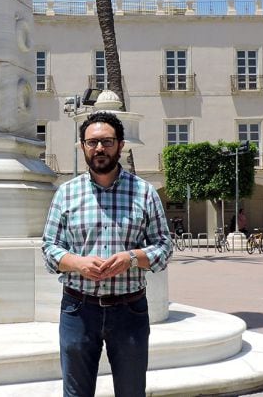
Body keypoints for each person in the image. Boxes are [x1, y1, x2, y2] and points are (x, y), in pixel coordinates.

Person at [42, 112, 173, 397]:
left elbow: (164, 246)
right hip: (78, 309)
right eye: (92, 142)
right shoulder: (66, 193)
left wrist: (132, 258)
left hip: (129, 310)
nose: (99, 148)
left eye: (107, 141)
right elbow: (50, 248)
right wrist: (77, 263)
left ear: (120, 145)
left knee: (131, 391)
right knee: (76, 393)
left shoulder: (144, 193)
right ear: (83, 147)